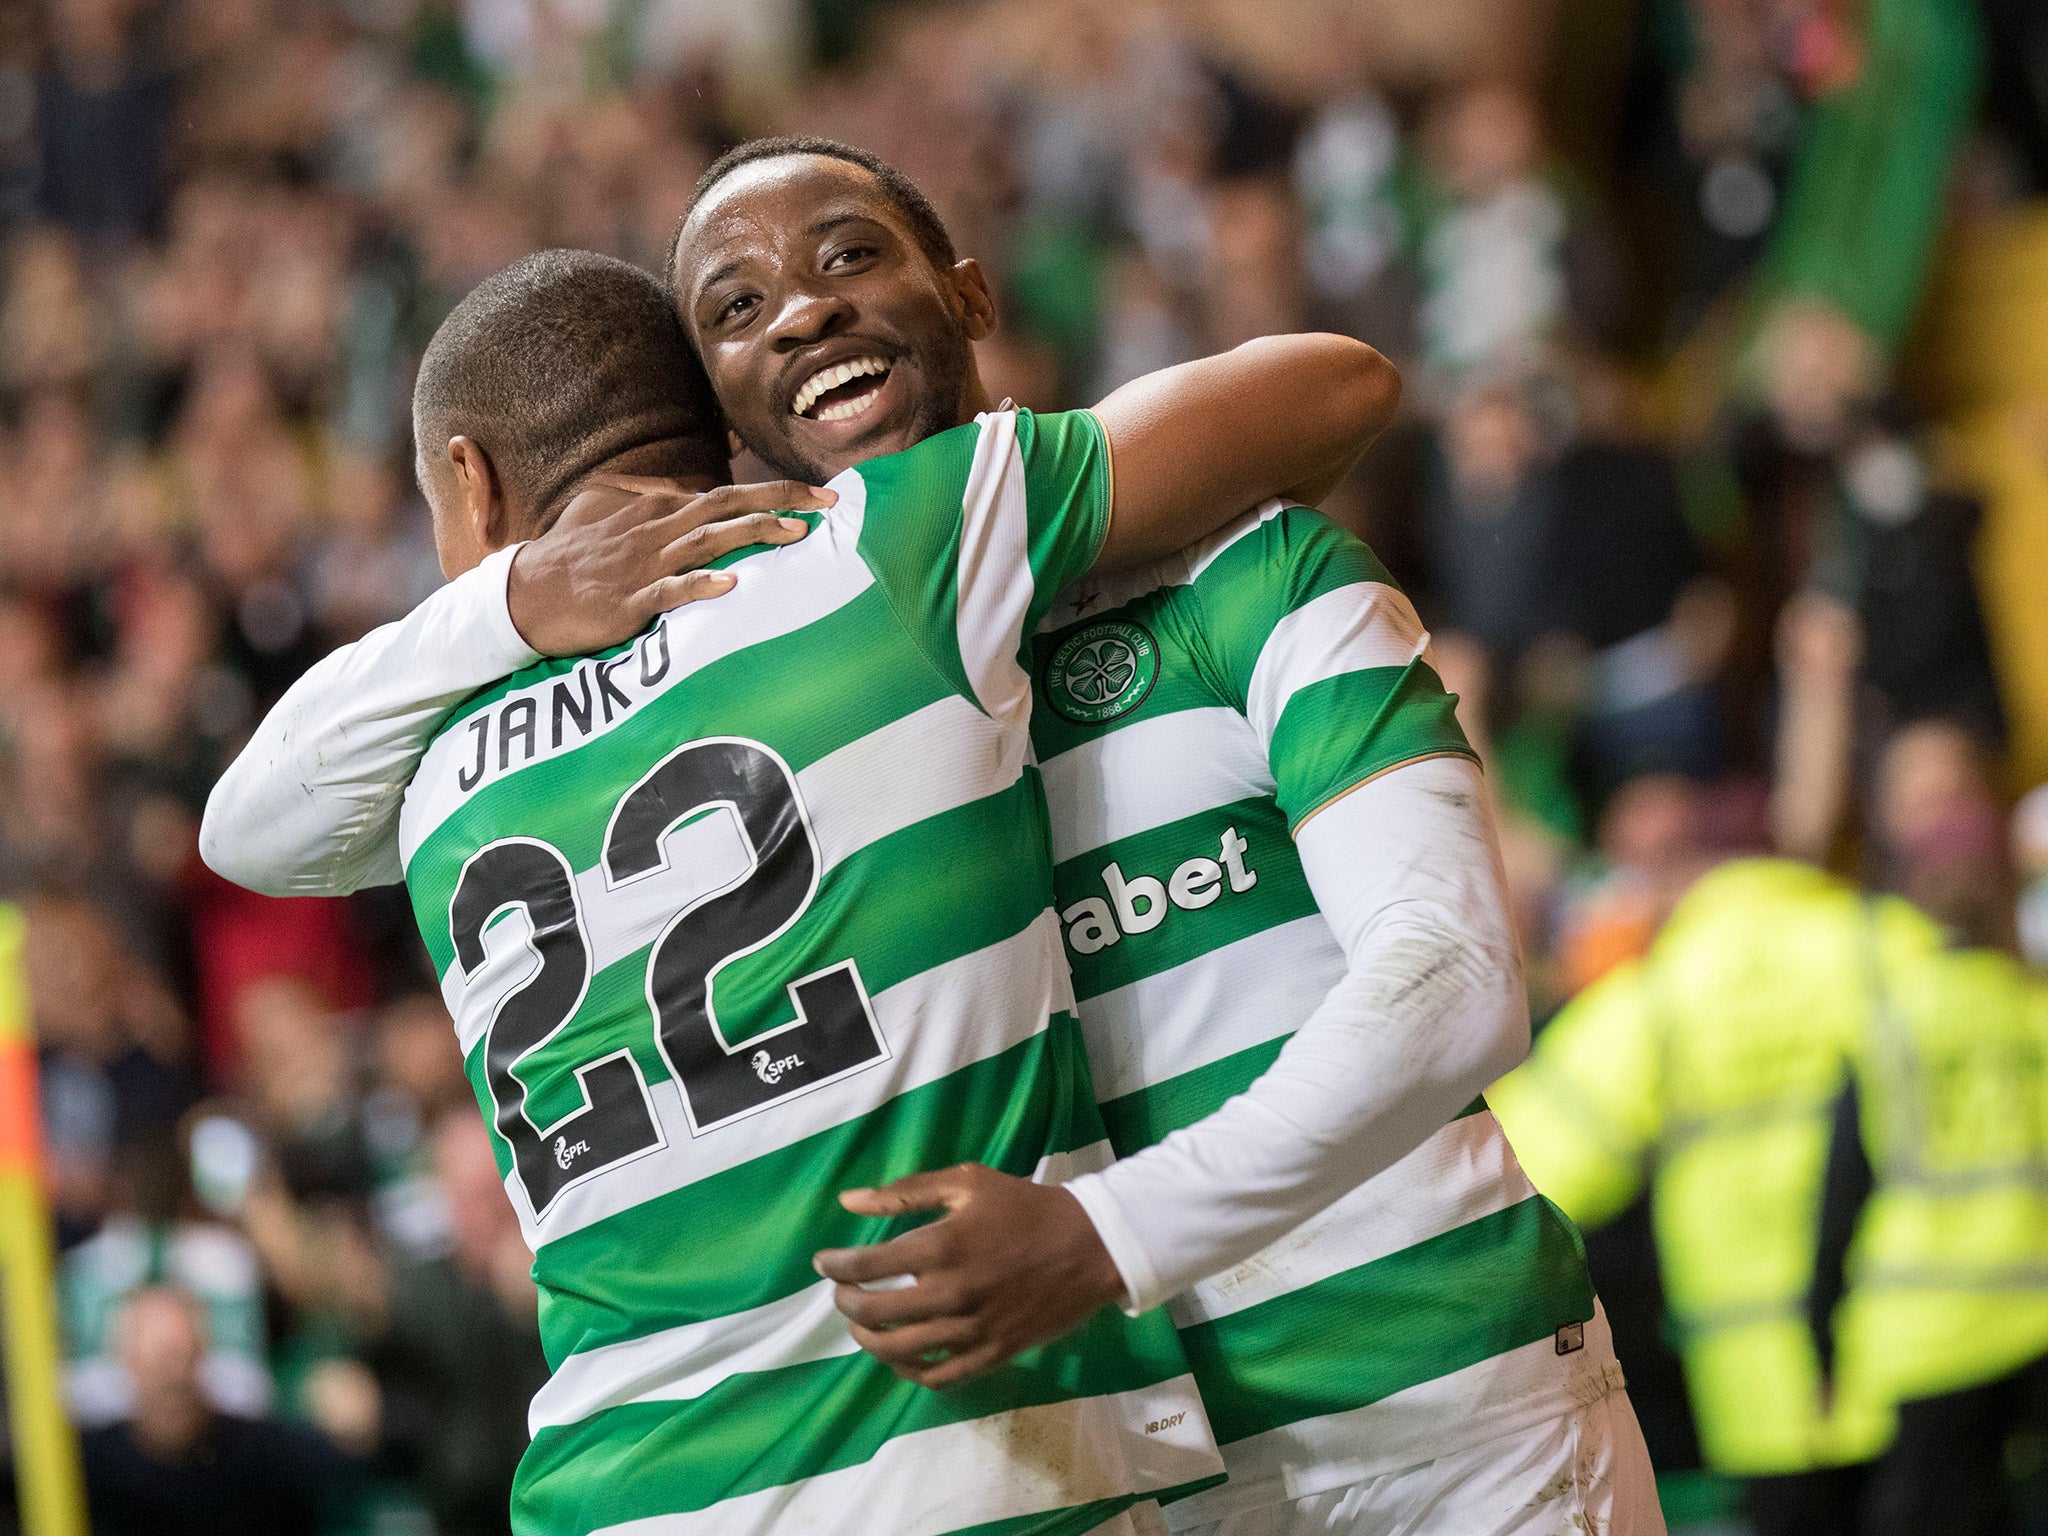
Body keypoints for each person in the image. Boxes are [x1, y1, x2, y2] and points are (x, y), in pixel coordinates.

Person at [203, 239, 1401, 1533]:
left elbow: (246, 827)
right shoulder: (885, 543)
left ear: (469, 482)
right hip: (976, 1465)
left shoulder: (429, 764)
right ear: (717, 429)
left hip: (626, 1491)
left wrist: (499, 606)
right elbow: (1335, 388)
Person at [672, 138, 1663, 1535]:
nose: (803, 311)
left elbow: (1453, 978)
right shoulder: (780, 750)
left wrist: (1104, 1237)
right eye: (734, 307)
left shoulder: (1252, 568)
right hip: (1113, 1485)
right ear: (722, 411)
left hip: (1450, 1416)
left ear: (967, 295)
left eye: (849, 256)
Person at [76, 1285, 360, 1536]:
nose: (174, 1378)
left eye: (183, 1356)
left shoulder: (265, 1453)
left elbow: (347, 1469)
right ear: (127, 1361)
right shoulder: (88, 1465)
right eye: (158, 1361)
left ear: (202, 1352)